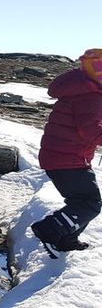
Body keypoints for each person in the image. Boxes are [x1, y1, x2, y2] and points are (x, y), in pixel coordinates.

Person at [31, 49, 102, 258]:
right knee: (90, 203)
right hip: (67, 159)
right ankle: (50, 230)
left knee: (83, 201)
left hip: (62, 156)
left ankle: (65, 241)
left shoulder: (81, 88)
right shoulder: (91, 95)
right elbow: (90, 130)